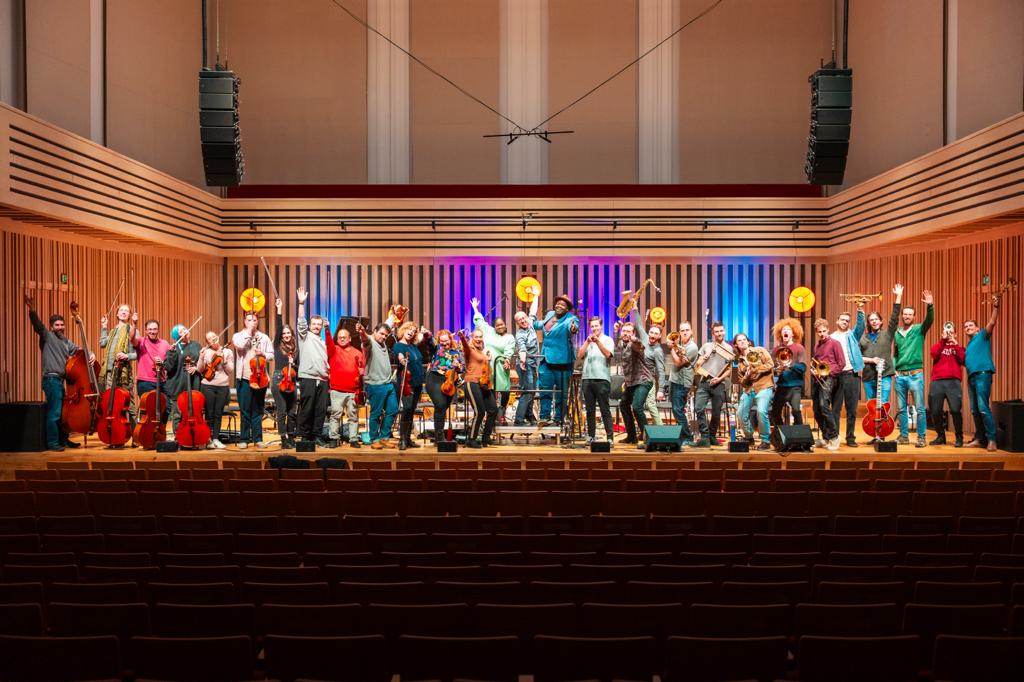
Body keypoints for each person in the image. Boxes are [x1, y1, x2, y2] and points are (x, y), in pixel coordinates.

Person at [25, 293, 91, 451]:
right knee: (54, 413)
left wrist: (91, 353)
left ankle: (64, 440)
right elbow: (37, 324)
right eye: (57, 325)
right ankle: (53, 443)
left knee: (62, 414)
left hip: (60, 381)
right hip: (51, 379)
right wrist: (32, 310)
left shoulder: (66, 341)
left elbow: (80, 351)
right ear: (51, 326)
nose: (60, 327)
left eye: (62, 325)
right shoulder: (47, 336)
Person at [860, 284, 902, 443]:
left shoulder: (887, 333)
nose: (874, 322)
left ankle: (881, 434)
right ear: (868, 323)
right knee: (872, 409)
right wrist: (871, 360)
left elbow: (895, 316)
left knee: (882, 406)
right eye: (871, 320)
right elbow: (857, 357)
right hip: (869, 376)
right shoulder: (863, 338)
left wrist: (898, 296)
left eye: (876, 319)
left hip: (884, 375)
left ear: (880, 321)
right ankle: (874, 435)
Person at [893, 289, 934, 447]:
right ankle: (904, 436)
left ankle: (921, 437)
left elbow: (929, 320)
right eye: (905, 314)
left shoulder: (918, 330)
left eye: (910, 314)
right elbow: (895, 353)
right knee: (902, 409)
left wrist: (930, 305)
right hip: (900, 376)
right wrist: (895, 368)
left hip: (915, 375)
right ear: (902, 316)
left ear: (914, 317)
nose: (907, 316)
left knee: (920, 409)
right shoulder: (897, 333)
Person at [532, 293, 580, 426]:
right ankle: (544, 417)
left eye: (563, 304)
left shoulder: (571, 318)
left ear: (567, 308)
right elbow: (539, 325)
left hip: (563, 361)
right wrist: (530, 319)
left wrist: (573, 328)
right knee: (544, 389)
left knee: (561, 393)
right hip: (546, 359)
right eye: (558, 303)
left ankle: (558, 419)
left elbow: (574, 328)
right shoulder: (550, 315)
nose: (559, 305)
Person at [232, 311, 274, 449]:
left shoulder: (264, 337)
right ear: (245, 321)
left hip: (260, 378)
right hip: (244, 378)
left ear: (258, 322)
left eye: (254, 320)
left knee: (258, 410)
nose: (252, 322)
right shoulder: (238, 336)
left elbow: (271, 355)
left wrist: (263, 354)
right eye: (249, 320)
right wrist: (249, 333)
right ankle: (244, 439)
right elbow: (240, 346)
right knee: (245, 410)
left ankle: (258, 439)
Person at [614, 311, 656, 447]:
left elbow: (640, 347)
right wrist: (616, 331)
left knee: (637, 407)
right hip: (631, 382)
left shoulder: (633, 344)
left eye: (629, 332)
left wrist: (635, 340)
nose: (626, 333)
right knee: (624, 404)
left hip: (643, 380)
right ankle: (632, 437)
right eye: (624, 331)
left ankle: (648, 438)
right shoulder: (622, 344)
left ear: (633, 333)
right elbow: (617, 342)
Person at [295, 287, 331, 448]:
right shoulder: (305, 336)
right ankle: (305, 436)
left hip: (323, 380)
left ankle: (316, 435)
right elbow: (300, 322)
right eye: (314, 324)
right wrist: (301, 303)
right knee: (307, 408)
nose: (316, 326)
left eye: (319, 324)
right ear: (310, 325)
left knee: (321, 410)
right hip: (308, 378)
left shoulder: (324, 342)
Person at [472, 297, 516, 425]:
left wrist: (507, 359)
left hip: (501, 367)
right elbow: (480, 321)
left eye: (502, 324)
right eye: (497, 325)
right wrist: (475, 308)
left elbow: (509, 350)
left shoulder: (509, 337)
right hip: (487, 367)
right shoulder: (489, 331)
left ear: (505, 325)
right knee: (489, 389)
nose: (500, 326)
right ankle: (491, 416)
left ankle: (501, 410)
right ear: (494, 327)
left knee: (504, 390)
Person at [99, 303, 139, 442]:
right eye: (121, 310)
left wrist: (126, 356)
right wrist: (104, 327)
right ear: (116, 314)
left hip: (123, 373)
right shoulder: (112, 331)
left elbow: (136, 354)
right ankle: (115, 436)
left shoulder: (132, 329)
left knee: (130, 406)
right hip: (110, 373)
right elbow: (102, 343)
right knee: (112, 406)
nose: (123, 312)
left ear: (129, 315)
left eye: (126, 311)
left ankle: (136, 437)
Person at [964, 301, 1000, 451]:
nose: (968, 328)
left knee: (983, 408)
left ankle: (992, 439)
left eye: (970, 326)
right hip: (971, 377)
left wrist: (996, 307)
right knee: (974, 409)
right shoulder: (969, 346)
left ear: (977, 329)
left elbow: (992, 323)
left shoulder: (982, 336)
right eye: (965, 327)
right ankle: (980, 438)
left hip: (983, 375)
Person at [358, 321, 399, 449]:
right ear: (374, 332)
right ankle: (374, 439)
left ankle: (384, 437)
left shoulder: (383, 343)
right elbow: (365, 339)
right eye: (381, 334)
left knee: (393, 410)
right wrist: (362, 332)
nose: (383, 337)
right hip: (375, 385)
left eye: (386, 335)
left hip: (388, 383)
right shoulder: (370, 341)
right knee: (376, 413)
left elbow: (388, 323)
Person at [829, 304, 866, 446]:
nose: (845, 322)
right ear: (837, 321)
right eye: (842, 320)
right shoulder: (831, 338)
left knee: (852, 409)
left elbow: (861, 326)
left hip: (851, 376)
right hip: (837, 377)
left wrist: (860, 310)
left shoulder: (853, 335)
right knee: (836, 409)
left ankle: (850, 438)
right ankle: (835, 437)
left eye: (847, 320)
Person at [324, 320, 364, 448]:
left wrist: (362, 371)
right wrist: (327, 329)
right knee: (335, 415)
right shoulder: (333, 350)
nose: (341, 339)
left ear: (350, 338)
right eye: (339, 337)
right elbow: (329, 341)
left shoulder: (357, 353)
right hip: (337, 390)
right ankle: (334, 438)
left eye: (344, 337)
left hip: (353, 391)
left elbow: (362, 369)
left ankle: (353, 439)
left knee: (353, 416)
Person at [693, 321, 733, 447]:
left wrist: (719, 379)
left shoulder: (729, 348)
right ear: (713, 333)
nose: (719, 333)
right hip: (705, 381)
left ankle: (712, 436)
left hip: (719, 383)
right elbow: (697, 364)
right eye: (716, 331)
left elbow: (729, 369)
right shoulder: (706, 346)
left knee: (716, 413)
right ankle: (705, 436)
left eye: (721, 331)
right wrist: (703, 358)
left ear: (724, 331)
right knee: (698, 408)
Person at [577, 316, 615, 444]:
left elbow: (608, 354)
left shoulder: (608, 340)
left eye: (596, 326)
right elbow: (579, 355)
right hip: (587, 379)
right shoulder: (587, 341)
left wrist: (598, 342)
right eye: (592, 326)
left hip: (602, 379)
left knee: (605, 409)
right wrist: (587, 342)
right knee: (589, 410)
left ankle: (610, 437)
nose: (594, 328)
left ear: (601, 326)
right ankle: (591, 435)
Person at [733, 333, 775, 450]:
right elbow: (742, 382)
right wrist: (747, 375)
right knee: (740, 413)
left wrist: (756, 369)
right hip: (749, 389)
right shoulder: (740, 362)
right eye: (739, 340)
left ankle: (765, 440)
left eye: (744, 339)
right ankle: (749, 436)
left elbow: (770, 364)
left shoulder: (760, 350)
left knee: (761, 411)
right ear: (736, 345)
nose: (742, 342)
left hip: (763, 386)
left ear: (748, 341)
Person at [459, 329, 498, 448]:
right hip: (472, 383)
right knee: (480, 412)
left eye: (480, 337)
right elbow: (465, 346)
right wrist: (462, 337)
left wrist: (488, 359)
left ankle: (486, 437)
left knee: (493, 410)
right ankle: (471, 439)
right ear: (472, 337)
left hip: (483, 384)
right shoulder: (469, 350)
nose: (478, 339)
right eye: (476, 337)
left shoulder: (482, 352)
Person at [928, 323, 966, 447]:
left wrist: (955, 343)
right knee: (935, 411)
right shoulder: (939, 345)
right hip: (937, 381)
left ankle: (959, 437)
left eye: (951, 332)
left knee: (955, 410)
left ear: (955, 334)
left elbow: (963, 359)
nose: (949, 334)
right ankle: (940, 436)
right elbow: (933, 353)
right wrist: (942, 340)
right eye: (946, 332)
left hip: (953, 382)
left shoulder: (958, 347)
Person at [393, 321, 429, 450]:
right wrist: (402, 360)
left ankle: (407, 439)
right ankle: (402, 440)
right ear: (404, 329)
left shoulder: (414, 347)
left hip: (418, 383)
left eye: (414, 330)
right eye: (409, 329)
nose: (411, 332)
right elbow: (400, 356)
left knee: (412, 410)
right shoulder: (398, 345)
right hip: (407, 383)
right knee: (407, 409)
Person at [423, 329, 463, 444]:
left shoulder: (456, 352)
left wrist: (458, 366)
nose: (444, 344)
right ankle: (440, 438)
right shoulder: (436, 348)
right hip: (434, 379)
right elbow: (429, 340)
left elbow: (461, 369)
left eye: (446, 341)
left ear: (451, 340)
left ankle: (438, 437)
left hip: (449, 382)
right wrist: (427, 333)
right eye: (442, 341)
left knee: (442, 408)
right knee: (440, 405)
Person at [197, 329, 234, 449]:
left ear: (217, 337)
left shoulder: (227, 351)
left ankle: (216, 439)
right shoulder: (205, 352)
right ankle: (208, 439)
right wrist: (201, 357)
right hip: (207, 385)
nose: (212, 338)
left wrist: (223, 361)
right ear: (207, 342)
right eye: (209, 338)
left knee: (218, 414)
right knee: (209, 414)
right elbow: (200, 369)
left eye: (214, 336)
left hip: (222, 386)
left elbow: (230, 371)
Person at [811, 318, 844, 452]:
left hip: (829, 378)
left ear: (828, 330)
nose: (822, 334)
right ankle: (825, 437)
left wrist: (827, 373)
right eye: (820, 332)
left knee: (824, 407)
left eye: (824, 331)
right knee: (816, 410)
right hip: (818, 378)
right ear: (816, 332)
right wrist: (814, 370)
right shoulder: (817, 346)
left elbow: (841, 364)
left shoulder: (835, 343)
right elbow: (816, 363)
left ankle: (835, 437)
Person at [164, 324, 201, 441]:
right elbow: (168, 367)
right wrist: (171, 354)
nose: (185, 332)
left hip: (193, 383)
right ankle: (179, 438)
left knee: (194, 413)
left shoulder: (196, 345)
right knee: (178, 415)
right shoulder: (174, 348)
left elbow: (201, 362)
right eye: (180, 332)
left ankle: (194, 437)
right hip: (178, 385)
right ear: (176, 336)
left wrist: (196, 368)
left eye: (185, 329)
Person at [271, 298, 299, 449]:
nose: (286, 335)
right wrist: (279, 309)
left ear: (292, 334)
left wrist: (293, 363)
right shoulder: (277, 345)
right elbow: (278, 326)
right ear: (281, 336)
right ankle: (283, 439)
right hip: (278, 380)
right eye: (284, 333)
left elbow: (298, 366)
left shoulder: (295, 349)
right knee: (282, 411)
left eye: (289, 333)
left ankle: (291, 437)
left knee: (292, 412)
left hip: (292, 382)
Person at [666, 321, 698, 447]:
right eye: (682, 330)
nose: (684, 332)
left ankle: (688, 437)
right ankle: (681, 436)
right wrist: (674, 347)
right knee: (676, 410)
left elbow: (678, 363)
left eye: (687, 330)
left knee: (677, 410)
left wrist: (672, 349)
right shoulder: (679, 345)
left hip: (682, 382)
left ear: (691, 332)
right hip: (675, 380)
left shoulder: (692, 347)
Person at [132, 319, 171, 422]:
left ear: (158, 330)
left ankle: (160, 432)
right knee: (149, 410)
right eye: (150, 329)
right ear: (145, 331)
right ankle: (148, 435)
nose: (152, 332)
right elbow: (131, 338)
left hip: (162, 381)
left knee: (166, 408)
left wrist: (162, 363)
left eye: (154, 329)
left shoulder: (165, 344)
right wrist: (134, 324)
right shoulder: (141, 341)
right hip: (145, 382)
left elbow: (170, 363)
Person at [513, 293, 541, 425]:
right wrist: (523, 361)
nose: (524, 321)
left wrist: (535, 295)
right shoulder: (520, 334)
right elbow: (522, 349)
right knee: (527, 391)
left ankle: (529, 416)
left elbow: (533, 310)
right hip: (525, 365)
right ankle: (519, 420)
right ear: (517, 323)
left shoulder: (530, 323)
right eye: (520, 320)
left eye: (524, 318)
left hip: (533, 364)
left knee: (532, 391)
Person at [642, 318, 667, 426]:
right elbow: (638, 325)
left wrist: (661, 389)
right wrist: (635, 310)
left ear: (659, 336)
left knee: (651, 405)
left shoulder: (658, 351)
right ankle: (644, 431)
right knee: (636, 406)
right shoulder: (644, 340)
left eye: (656, 333)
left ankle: (661, 431)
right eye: (651, 332)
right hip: (638, 380)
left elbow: (661, 371)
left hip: (649, 380)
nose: (652, 335)